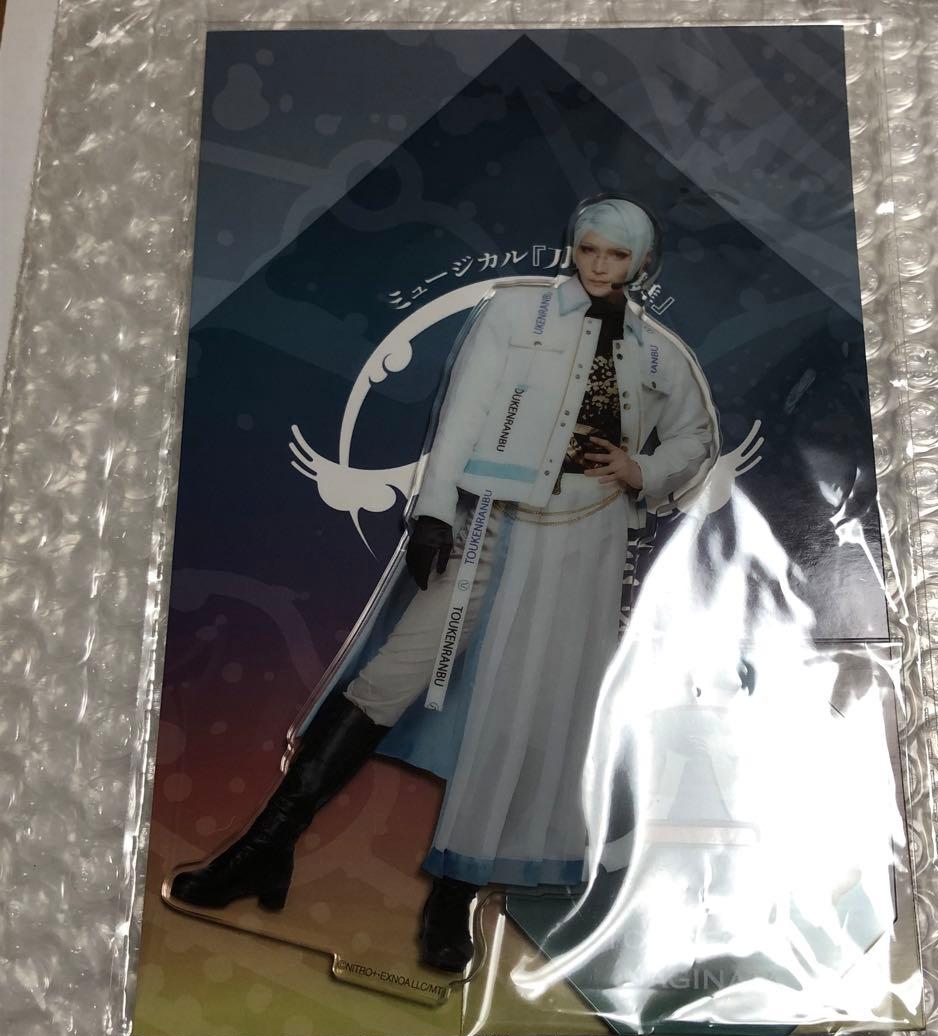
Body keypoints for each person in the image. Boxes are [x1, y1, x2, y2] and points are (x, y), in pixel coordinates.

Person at [168, 196, 720, 973]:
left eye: (617, 256)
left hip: (584, 542)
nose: (599, 266)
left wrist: (645, 468)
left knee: (529, 705)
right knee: (394, 672)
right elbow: (464, 412)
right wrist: (432, 512)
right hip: (489, 517)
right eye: (589, 249)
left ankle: (456, 892)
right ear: (573, 246)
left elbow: (696, 436)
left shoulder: (659, 356)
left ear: (642, 263)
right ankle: (266, 845)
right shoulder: (515, 314)